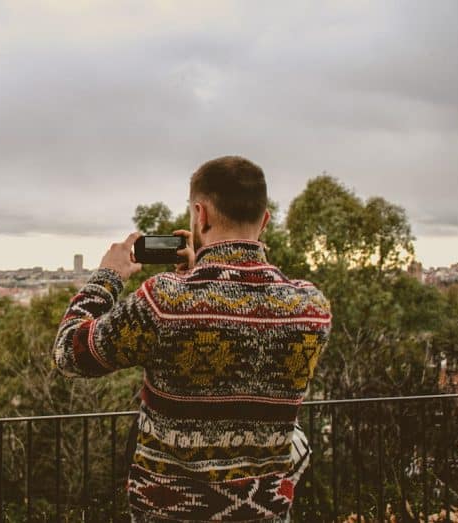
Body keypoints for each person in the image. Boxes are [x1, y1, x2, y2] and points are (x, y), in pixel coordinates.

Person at [52, 156, 332, 522]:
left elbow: (69, 353)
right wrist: (198, 273)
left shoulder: (164, 300)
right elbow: (245, 306)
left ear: (200, 215)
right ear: (264, 221)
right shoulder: (311, 307)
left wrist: (108, 276)